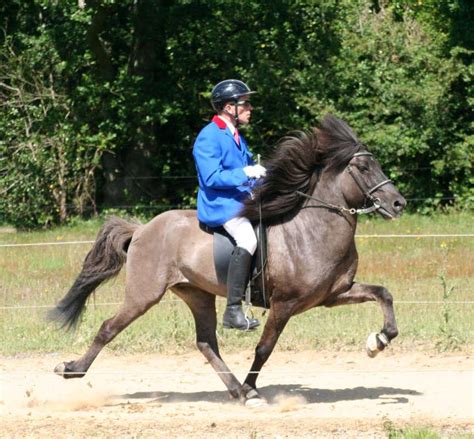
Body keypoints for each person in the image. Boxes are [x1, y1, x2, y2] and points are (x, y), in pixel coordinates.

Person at [193, 79, 266, 331]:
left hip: (240, 200)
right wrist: (246, 173)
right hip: (221, 205)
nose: (250, 108)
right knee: (248, 239)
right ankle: (233, 311)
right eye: (244, 103)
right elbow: (212, 177)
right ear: (228, 107)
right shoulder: (209, 137)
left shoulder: (236, 136)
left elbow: (247, 174)